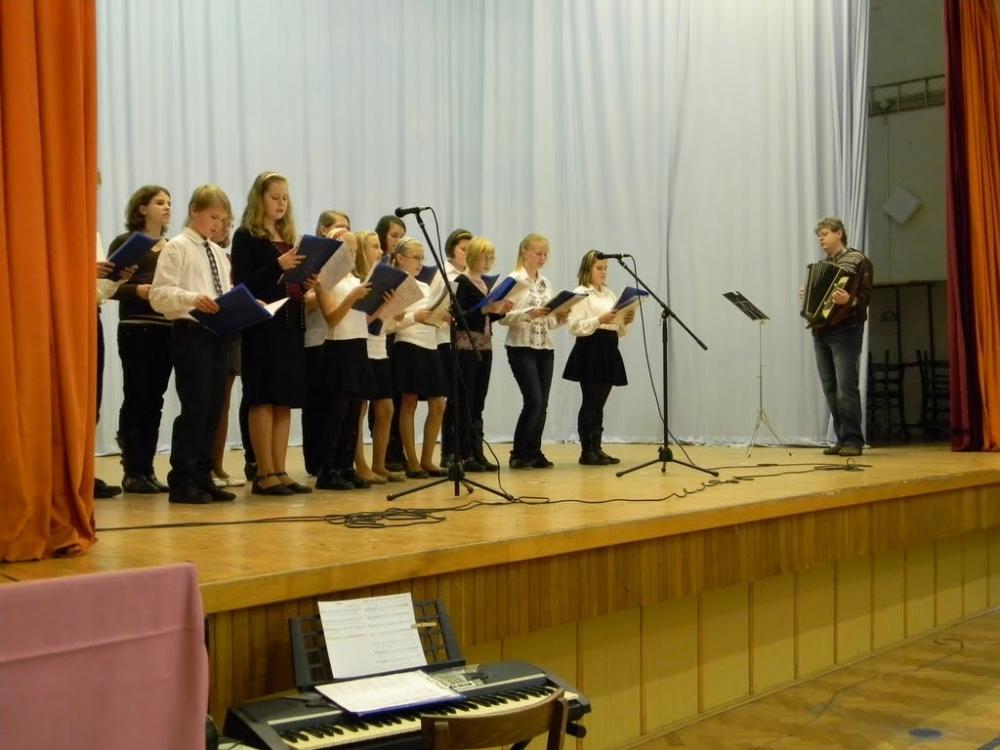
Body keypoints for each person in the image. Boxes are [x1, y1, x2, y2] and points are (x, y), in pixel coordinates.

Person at [148, 185, 236, 504]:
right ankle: (182, 480)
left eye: (222, 220)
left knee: (214, 406)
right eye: (213, 217)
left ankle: (203, 475)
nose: (217, 225)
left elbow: (223, 293)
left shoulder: (218, 253)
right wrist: (193, 299)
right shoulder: (177, 248)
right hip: (191, 333)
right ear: (194, 210)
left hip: (218, 334)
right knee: (195, 406)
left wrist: (241, 305)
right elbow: (159, 295)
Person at [232, 171, 313, 496]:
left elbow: (289, 283)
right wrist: (278, 265)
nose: (281, 203)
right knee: (263, 397)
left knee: (284, 400)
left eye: (285, 198)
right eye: (274, 197)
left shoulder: (288, 237)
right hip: (262, 325)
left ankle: (280, 470)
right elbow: (242, 283)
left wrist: (304, 281)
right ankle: (264, 472)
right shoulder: (246, 236)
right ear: (259, 199)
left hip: (290, 323)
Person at [108, 185, 173, 494]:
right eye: (159, 202)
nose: (167, 207)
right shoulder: (125, 243)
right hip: (136, 328)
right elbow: (106, 286)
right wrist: (137, 290)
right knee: (136, 396)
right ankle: (132, 470)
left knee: (155, 400)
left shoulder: (172, 246)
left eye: (169, 202)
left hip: (166, 329)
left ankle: (147, 468)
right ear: (142, 208)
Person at [806, 217, 874, 457]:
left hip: (846, 329)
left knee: (846, 386)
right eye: (819, 236)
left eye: (824, 234)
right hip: (821, 330)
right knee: (830, 387)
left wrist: (849, 300)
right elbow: (819, 299)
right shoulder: (823, 265)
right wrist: (809, 294)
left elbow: (866, 296)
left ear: (839, 233)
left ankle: (853, 439)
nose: (820, 240)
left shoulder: (858, 261)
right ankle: (841, 437)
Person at [500, 233, 569, 469]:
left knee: (543, 403)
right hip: (521, 346)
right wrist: (527, 314)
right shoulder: (513, 280)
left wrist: (560, 317)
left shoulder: (545, 283)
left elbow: (548, 320)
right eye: (538, 253)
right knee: (534, 401)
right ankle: (519, 453)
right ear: (525, 252)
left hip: (545, 346)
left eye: (546, 254)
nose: (543, 258)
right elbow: (500, 316)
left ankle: (534, 451)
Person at [562, 250, 635, 465]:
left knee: (600, 402)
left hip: (608, 347)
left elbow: (618, 330)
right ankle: (587, 450)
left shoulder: (609, 295)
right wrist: (599, 319)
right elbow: (575, 327)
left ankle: (597, 447)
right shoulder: (581, 293)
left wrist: (625, 320)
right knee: (591, 401)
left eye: (606, 269)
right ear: (588, 269)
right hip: (590, 349)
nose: (603, 272)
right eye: (599, 268)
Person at [314, 231, 374, 490]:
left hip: (358, 344)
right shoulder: (324, 278)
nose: (351, 254)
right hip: (339, 347)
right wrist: (352, 297)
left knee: (353, 412)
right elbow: (331, 318)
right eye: (345, 249)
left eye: (353, 250)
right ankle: (328, 470)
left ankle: (346, 466)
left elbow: (362, 318)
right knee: (336, 413)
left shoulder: (355, 279)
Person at [387, 237, 448, 478]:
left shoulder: (424, 286)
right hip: (408, 344)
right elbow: (391, 321)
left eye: (422, 258)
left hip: (430, 344)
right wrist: (415, 317)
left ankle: (427, 459)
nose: (420, 263)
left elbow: (429, 315)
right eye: (416, 258)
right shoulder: (394, 284)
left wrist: (441, 317)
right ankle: (412, 460)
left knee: (438, 403)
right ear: (400, 258)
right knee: (409, 402)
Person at [452, 237, 513, 470]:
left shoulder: (483, 283)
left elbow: (484, 317)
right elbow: (460, 318)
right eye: (485, 258)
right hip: (466, 347)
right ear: (473, 257)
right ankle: (465, 454)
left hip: (484, 346)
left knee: (478, 400)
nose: (488, 262)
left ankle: (477, 452)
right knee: (466, 401)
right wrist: (486, 309)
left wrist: (499, 311)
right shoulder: (462, 282)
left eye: (491, 258)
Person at [302, 209, 351, 476]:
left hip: (340, 340)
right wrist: (327, 284)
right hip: (315, 338)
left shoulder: (350, 267)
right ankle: (316, 461)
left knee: (338, 405)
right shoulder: (314, 262)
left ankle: (337, 460)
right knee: (316, 404)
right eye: (339, 229)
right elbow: (305, 301)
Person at [208, 210, 246, 488]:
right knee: (206, 402)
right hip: (206, 332)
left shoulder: (229, 259)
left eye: (228, 224)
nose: (225, 228)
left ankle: (217, 465)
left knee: (223, 402)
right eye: (220, 221)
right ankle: (204, 465)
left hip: (231, 333)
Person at [95, 235, 134, 499]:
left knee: (92, 398)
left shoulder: (94, 235)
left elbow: (100, 293)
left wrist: (117, 279)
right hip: (65, 314)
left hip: (91, 313)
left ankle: (83, 471)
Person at [435, 228, 472, 467]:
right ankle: (448, 451)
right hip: (444, 339)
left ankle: (466, 450)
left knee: (466, 398)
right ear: (451, 249)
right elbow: (434, 304)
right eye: (463, 249)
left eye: (470, 250)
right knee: (451, 398)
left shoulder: (471, 275)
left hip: (466, 341)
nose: (466, 254)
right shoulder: (443, 273)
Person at [375, 214, 408, 472]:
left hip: (395, 334)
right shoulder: (377, 264)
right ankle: (383, 453)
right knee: (378, 399)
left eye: (401, 236)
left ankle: (395, 449)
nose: (398, 241)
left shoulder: (398, 266)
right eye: (394, 235)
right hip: (376, 334)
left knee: (394, 396)